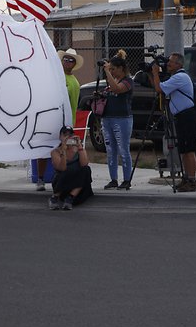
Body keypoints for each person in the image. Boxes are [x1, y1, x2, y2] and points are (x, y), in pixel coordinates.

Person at [35, 48, 83, 191]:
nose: (67, 62)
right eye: (65, 59)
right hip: (52, 121)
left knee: (67, 151)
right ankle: (40, 179)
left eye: (71, 60)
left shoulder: (74, 81)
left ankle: (63, 178)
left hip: (68, 124)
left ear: (74, 64)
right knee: (45, 149)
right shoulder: (56, 77)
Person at [151, 52, 196, 192]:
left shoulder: (180, 77)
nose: (167, 64)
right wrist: (152, 75)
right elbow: (159, 87)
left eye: (170, 62)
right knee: (183, 150)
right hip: (181, 116)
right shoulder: (175, 77)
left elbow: (159, 88)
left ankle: (192, 180)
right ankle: (187, 178)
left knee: (189, 149)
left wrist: (155, 73)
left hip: (187, 115)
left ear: (179, 64)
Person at [101, 52, 134, 189]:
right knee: (110, 150)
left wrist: (107, 72)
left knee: (123, 149)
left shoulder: (127, 81)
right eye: (111, 69)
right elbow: (111, 90)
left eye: (113, 69)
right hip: (107, 118)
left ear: (121, 68)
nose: (112, 72)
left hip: (122, 119)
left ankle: (127, 179)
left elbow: (116, 89)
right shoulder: (112, 82)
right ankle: (113, 178)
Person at [48, 125, 94, 210]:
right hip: (62, 183)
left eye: (70, 135)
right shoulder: (55, 152)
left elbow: (84, 164)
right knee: (67, 170)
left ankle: (70, 197)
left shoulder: (78, 149)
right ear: (60, 137)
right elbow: (61, 168)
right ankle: (55, 198)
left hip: (78, 185)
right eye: (65, 135)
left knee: (86, 170)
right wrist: (64, 151)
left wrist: (80, 147)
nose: (68, 137)